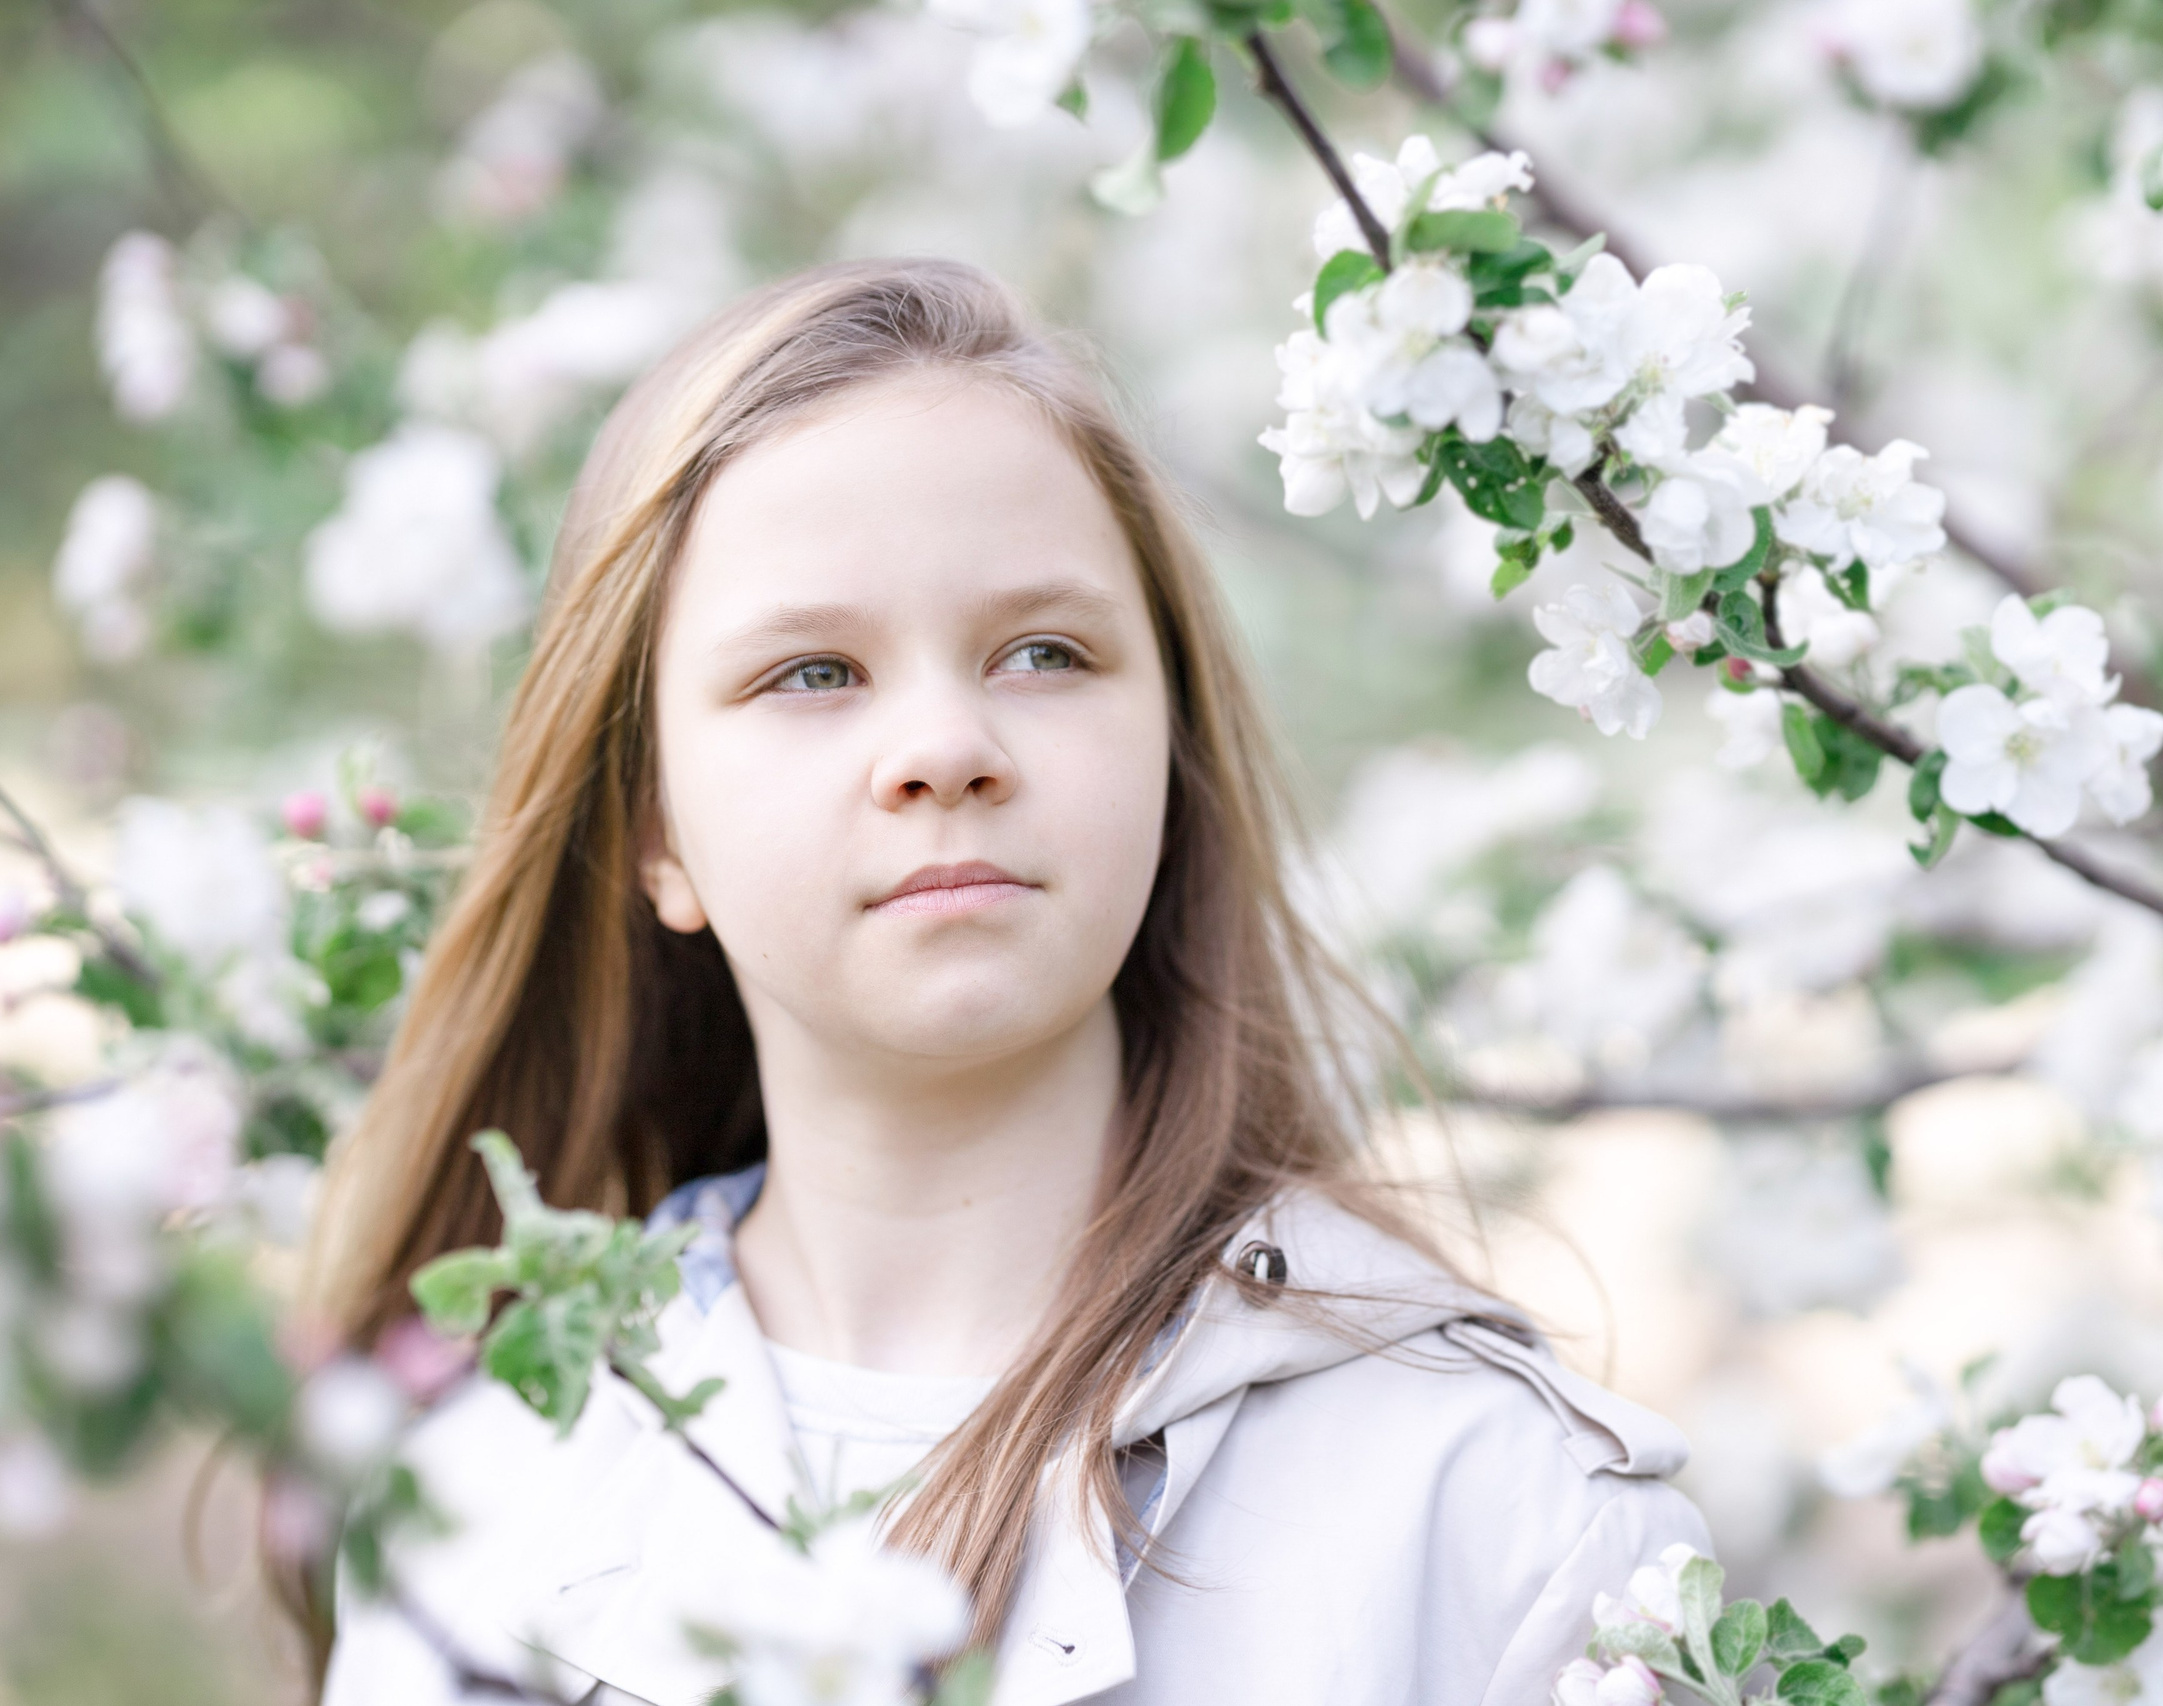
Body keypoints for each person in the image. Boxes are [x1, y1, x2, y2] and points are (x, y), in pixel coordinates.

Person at [303, 256, 1711, 1706]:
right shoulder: (476, 1509)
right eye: (811, 671)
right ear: (657, 829)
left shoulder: (1503, 1517)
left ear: (1167, 754)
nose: (944, 743)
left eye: (1044, 651)